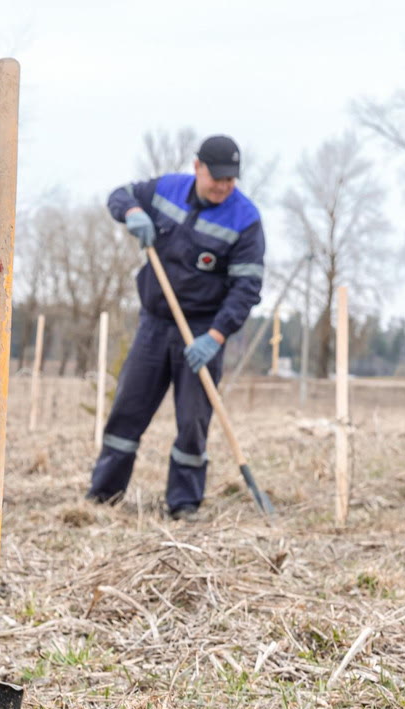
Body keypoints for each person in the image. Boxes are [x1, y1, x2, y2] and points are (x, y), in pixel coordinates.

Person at [87, 135, 265, 520]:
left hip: (202, 331)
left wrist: (215, 337)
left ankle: (183, 504)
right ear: (197, 167)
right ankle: (104, 495)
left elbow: (247, 288)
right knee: (126, 413)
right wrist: (133, 212)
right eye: (216, 177)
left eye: (230, 180)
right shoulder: (166, 189)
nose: (223, 187)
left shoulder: (245, 220)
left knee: (193, 422)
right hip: (154, 323)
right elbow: (120, 194)